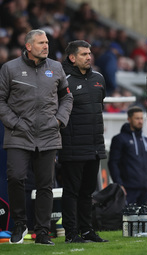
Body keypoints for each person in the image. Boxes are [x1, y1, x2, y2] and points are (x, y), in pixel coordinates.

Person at [0, 29, 73, 245]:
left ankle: (42, 232)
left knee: (45, 185)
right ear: (29, 46)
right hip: (18, 134)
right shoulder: (9, 68)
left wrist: (58, 120)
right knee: (15, 177)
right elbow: (1, 101)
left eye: (47, 42)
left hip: (48, 134)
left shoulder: (56, 67)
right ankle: (20, 223)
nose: (46, 46)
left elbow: (67, 98)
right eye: (41, 42)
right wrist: (15, 123)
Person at [59, 40, 107, 243]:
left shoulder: (99, 78)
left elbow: (98, 107)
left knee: (88, 191)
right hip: (72, 145)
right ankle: (71, 233)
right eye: (83, 54)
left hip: (95, 145)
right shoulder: (63, 80)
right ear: (72, 57)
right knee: (71, 191)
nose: (89, 57)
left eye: (89, 53)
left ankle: (87, 230)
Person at [108, 106, 147, 206]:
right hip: (128, 189)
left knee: (143, 220)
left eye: (141, 118)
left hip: (146, 189)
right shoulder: (119, 139)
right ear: (129, 119)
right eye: (137, 118)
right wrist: (119, 184)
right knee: (127, 220)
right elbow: (113, 163)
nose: (140, 121)